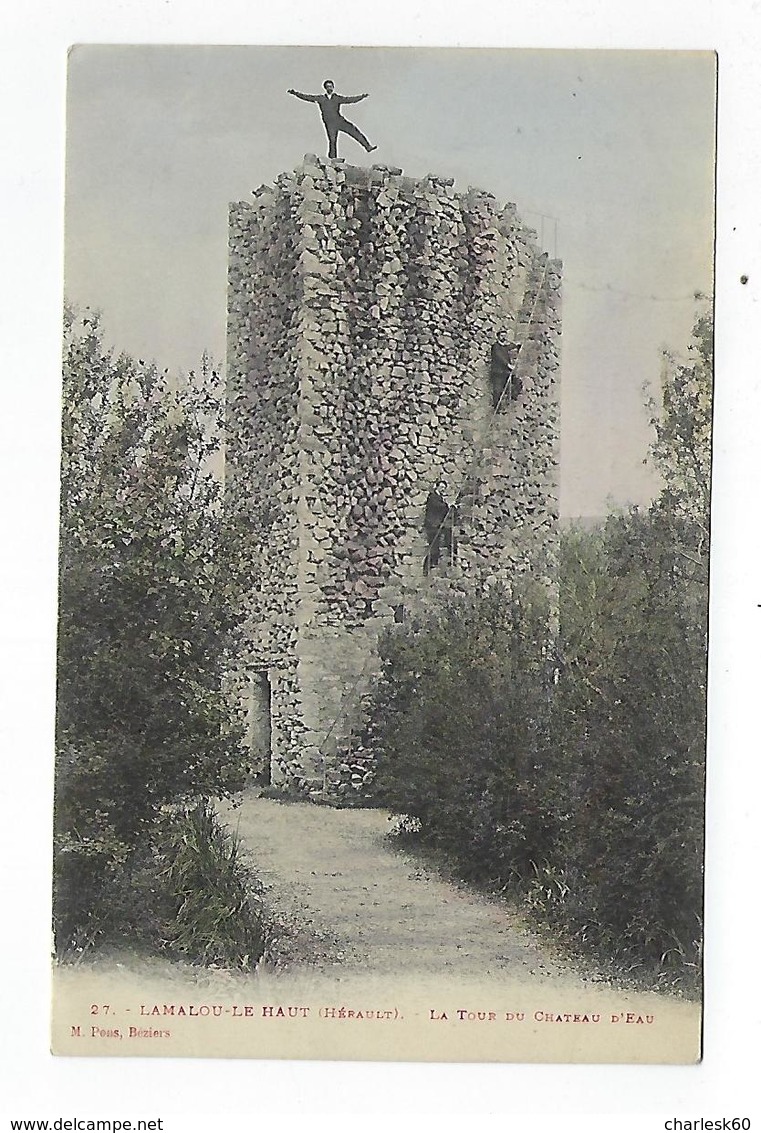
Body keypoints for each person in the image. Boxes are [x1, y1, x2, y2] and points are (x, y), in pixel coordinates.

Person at [287, 80, 377, 160]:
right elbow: (307, 97)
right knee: (332, 140)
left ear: (333, 87)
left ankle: (368, 147)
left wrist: (361, 97)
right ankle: (333, 159)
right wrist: (295, 93)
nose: (330, 88)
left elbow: (349, 100)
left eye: (331, 86)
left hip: (339, 120)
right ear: (325, 88)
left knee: (354, 131)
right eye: (328, 86)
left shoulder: (337, 98)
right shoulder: (321, 98)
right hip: (330, 123)